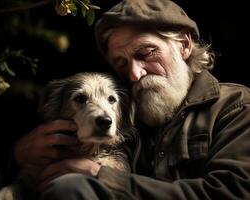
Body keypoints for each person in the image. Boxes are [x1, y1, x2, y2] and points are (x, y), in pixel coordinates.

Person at [13, 0, 250, 199]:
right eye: (122, 64)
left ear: (184, 45)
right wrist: (21, 153)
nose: (135, 74)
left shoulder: (236, 107)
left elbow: (232, 192)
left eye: (146, 53)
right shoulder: (125, 110)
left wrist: (101, 176)